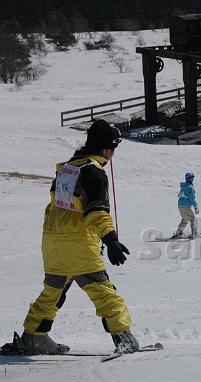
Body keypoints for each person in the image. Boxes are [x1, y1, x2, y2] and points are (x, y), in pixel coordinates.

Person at [1, 119, 139, 355]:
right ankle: (124, 339)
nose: (113, 154)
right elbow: (96, 212)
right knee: (102, 290)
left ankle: (33, 337)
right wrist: (110, 239)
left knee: (52, 291)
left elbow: (56, 203)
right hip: (78, 243)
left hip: (52, 241)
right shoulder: (94, 172)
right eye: (113, 148)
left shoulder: (68, 168)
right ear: (106, 148)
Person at [172, 172, 199, 239]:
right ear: (190, 179)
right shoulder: (190, 187)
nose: (193, 179)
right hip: (186, 206)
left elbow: (180, 195)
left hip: (180, 206)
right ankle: (194, 234)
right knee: (193, 219)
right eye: (192, 178)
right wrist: (195, 207)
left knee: (185, 219)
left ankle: (178, 233)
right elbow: (192, 198)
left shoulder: (183, 187)